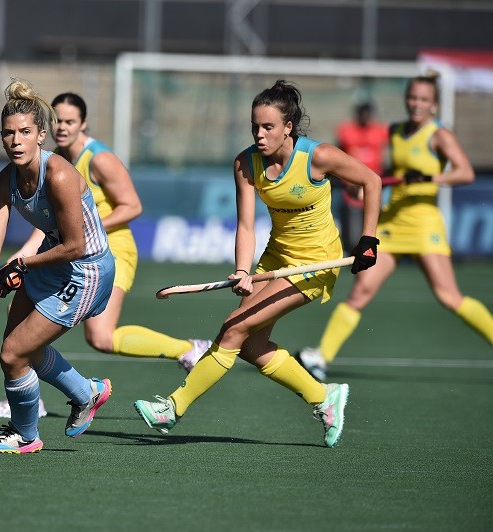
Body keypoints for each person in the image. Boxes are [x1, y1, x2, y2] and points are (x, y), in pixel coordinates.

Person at [133, 79, 382, 448]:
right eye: (255, 127)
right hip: (276, 257)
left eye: (268, 127)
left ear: (288, 127)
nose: (260, 135)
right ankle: (323, 397)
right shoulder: (246, 163)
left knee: (233, 327)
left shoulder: (319, 157)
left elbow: (372, 180)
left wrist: (368, 240)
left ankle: (172, 407)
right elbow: (246, 225)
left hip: (316, 262)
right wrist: (242, 269)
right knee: (249, 346)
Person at [0, 92, 210, 418]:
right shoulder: (45, 158)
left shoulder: (98, 159)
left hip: (111, 249)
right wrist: (20, 258)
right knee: (19, 327)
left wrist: (74, 230)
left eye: (70, 122)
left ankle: (188, 349)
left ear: (83, 124)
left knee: (101, 337)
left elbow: (133, 206)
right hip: (65, 253)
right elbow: (49, 226)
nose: (62, 128)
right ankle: (30, 394)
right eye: (57, 121)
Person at [0, 79, 115, 454]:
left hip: (87, 270)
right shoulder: (3, 182)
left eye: (25, 132)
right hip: (52, 261)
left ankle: (24, 435)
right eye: (8, 133)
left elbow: (76, 245)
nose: (16, 141)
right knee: (18, 351)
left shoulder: (59, 175)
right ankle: (86, 392)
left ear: (41, 136)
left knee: (13, 353)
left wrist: (23, 263)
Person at [295, 73, 493, 383]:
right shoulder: (396, 131)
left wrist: (428, 178)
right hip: (392, 222)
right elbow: (389, 172)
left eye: (423, 99)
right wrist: (365, 187)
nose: (416, 104)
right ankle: (321, 356)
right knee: (361, 290)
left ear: (434, 104)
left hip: (424, 224)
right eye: (412, 97)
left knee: (449, 296)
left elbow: (465, 172)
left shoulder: (439, 135)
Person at [334, 101, 389, 250]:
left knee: (376, 226)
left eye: (367, 112)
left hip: (374, 186)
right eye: (362, 112)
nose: (365, 116)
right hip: (352, 187)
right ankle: (353, 252)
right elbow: (338, 154)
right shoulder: (346, 130)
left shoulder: (380, 131)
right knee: (353, 232)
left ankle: (374, 252)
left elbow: (385, 157)